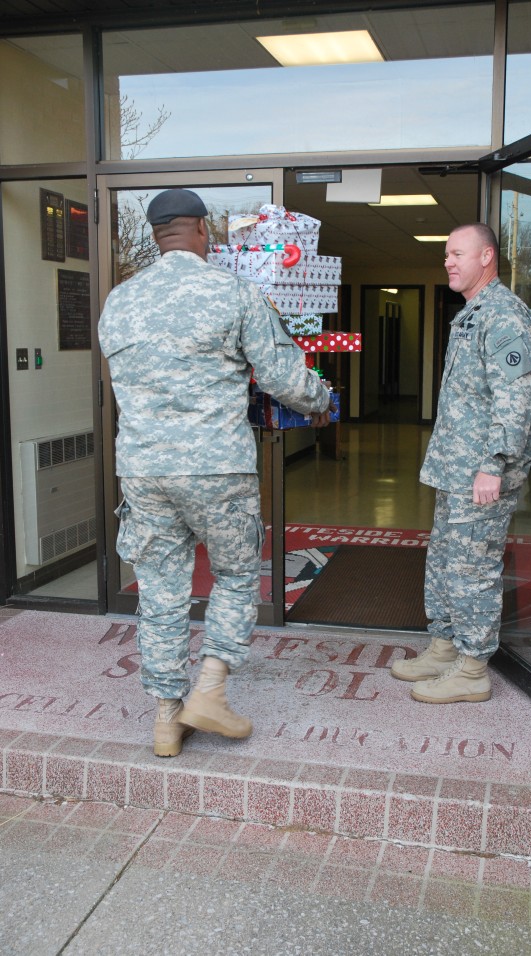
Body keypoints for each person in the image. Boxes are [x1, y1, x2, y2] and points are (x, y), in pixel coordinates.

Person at [99, 188, 332, 757]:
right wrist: (322, 399)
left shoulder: (119, 301)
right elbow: (283, 377)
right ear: (201, 231)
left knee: (160, 592)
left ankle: (164, 718)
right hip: (216, 468)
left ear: (157, 235)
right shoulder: (233, 292)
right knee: (232, 576)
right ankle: (210, 689)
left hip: (144, 471)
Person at [391, 223, 531, 703]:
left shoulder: (504, 315)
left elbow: (516, 398)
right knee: (445, 560)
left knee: (472, 567)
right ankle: (444, 646)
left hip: (480, 472)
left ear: (487, 257)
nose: (448, 262)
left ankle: (472, 669)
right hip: (456, 470)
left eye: (457, 253)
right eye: (446, 255)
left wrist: (492, 464)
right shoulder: (473, 313)